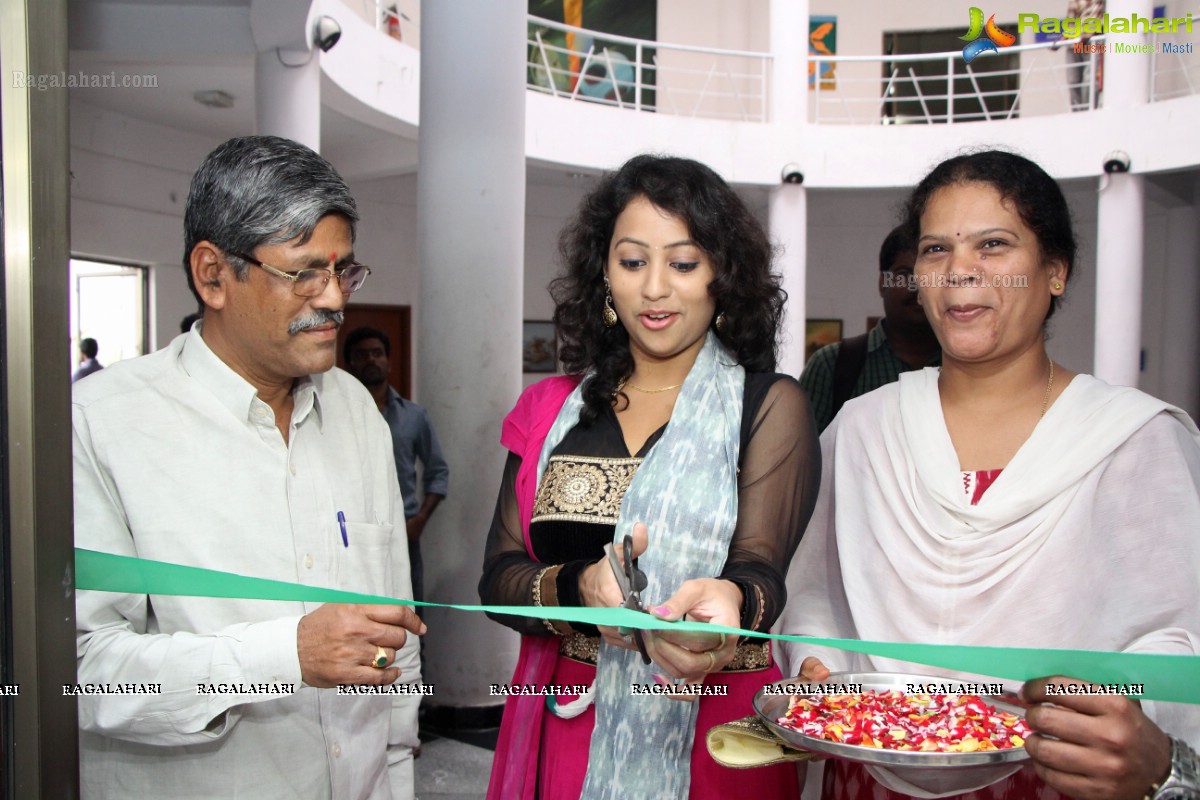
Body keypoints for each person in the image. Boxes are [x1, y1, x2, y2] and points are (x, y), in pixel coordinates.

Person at [779, 150, 1200, 800]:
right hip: (870, 775)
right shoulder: (863, 429)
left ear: (1054, 272)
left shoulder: (1133, 441)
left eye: (993, 245)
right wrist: (821, 665)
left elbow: (1179, 632)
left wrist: (1139, 732)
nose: (960, 272)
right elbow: (817, 595)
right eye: (936, 250)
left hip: (1061, 780)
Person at [73, 135, 425, 799]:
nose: (333, 301)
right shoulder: (100, 424)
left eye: (344, 271)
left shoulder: (354, 408)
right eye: (303, 274)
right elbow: (86, 673)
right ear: (213, 275)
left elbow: (392, 635)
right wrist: (281, 657)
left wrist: (397, 774)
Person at [479, 154, 821, 799]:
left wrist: (733, 605)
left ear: (722, 274)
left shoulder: (768, 406)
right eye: (633, 262)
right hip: (571, 720)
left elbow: (760, 571)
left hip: (721, 726)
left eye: (684, 263)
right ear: (604, 274)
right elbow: (497, 579)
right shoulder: (551, 411)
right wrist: (581, 589)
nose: (655, 288)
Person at [344, 326, 450, 611]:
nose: (371, 360)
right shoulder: (335, 416)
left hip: (403, 530)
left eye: (377, 354)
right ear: (349, 364)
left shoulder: (413, 416)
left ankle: (416, 658)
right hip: (351, 533)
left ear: (389, 361)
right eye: (362, 355)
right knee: (355, 612)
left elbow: (438, 471)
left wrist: (421, 519)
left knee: (409, 612)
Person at [799, 224, 940, 432]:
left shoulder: (970, 364)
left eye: (930, 275)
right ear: (883, 282)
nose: (916, 285)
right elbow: (805, 457)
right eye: (904, 274)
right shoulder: (831, 366)